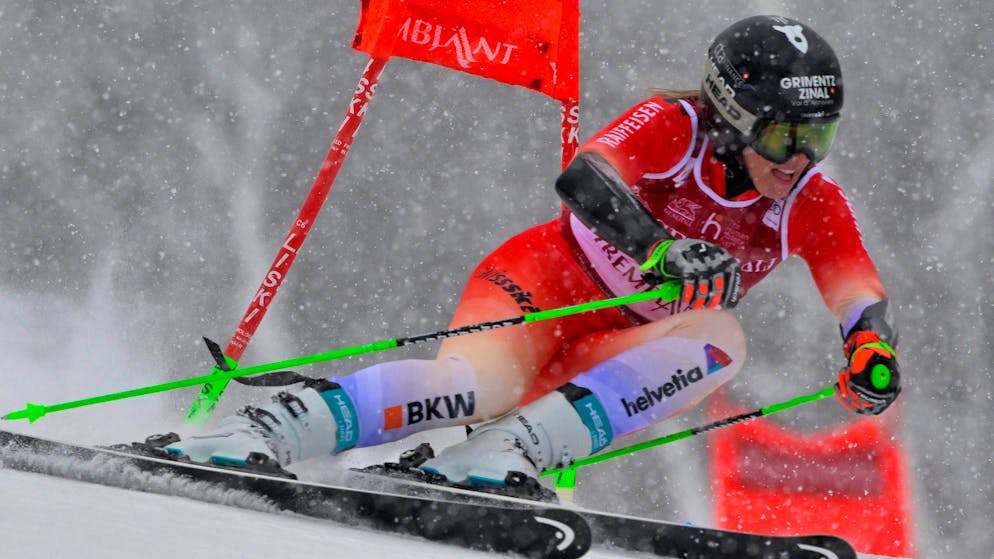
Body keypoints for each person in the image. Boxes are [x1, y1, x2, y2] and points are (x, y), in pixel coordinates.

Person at [165, 15, 901, 487]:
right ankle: (261, 428)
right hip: (540, 288)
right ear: (734, 116)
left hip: (611, 345)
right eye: (783, 135)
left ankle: (499, 454)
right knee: (471, 386)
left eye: (820, 135)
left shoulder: (810, 202)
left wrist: (871, 350)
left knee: (722, 339)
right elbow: (583, 177)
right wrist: (660, 251)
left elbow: (859, 295)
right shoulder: (673, 126)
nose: (801, 157)